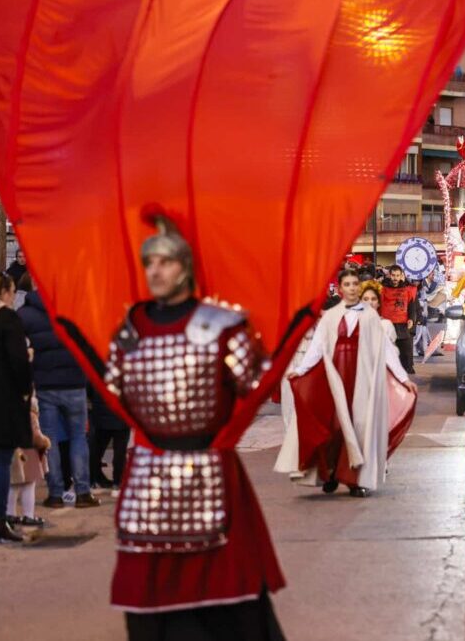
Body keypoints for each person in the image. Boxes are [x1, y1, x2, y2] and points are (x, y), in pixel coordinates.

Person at [103, 213, 285, 637]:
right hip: (149, 474)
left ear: (184, 267)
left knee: (231, 596)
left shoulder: (223, 327)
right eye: (149, 263)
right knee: (151, 598)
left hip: (210, 468)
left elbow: (256, 383)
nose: (155, 271)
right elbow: (115, 391)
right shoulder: (130, 332)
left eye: (164, 261)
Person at [278, 270, 394, 498]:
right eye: (347, 284)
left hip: (361, 378)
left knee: (360, 426)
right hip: (335, 377)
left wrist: (401, 378)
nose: (351, 288)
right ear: (340, 288)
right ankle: (330, 473)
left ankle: (355, 480)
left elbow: (385, 349)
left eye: (354, 284)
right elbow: (317, 348)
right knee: (335, 427)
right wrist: (300, 370)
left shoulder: (369, 317)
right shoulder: (331, 317)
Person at [18, 287, 98, 509]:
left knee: (49, 438)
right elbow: (88, 342)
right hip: (75, 382)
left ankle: (55, 494)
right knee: (79, 437)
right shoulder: (75, 310)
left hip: (45, 384)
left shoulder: (26, 314)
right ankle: (83, 492)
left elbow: (21, 349)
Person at [360, 280, 419, 461]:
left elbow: (390, 354)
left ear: (378, 303)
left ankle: (377, 459)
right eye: (365, 299)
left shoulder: (384, 325)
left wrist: (403, 379)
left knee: (376, 422)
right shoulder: (351, 322)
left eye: (373, 299)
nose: (369, 303)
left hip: (379, 380)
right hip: (357, 380)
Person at [0, 272, 32, 542]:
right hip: (2, 400)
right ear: (6, 292)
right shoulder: (7, 318)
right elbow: (19, 361)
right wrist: (25, 390)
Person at [7, 393, 49, 528]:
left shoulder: (9, 412)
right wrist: (45, 443)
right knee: (29, 486)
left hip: (13, 451)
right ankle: (28, 515)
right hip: (29, 452)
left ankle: (10, 514)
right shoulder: (30, 415)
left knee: (12, 486)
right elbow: (36, 436)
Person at [379, 265, 418, 375]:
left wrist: (411, 318)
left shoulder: (408, 289)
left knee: (405, 352)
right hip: (387, 324)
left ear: (401, 276)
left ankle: (406, 371)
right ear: (389, 275)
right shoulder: (381, 289)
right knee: (387, 350)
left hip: (402, 324)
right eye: (393, 275)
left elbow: (412, 305)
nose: (395, 278)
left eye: (397, 275)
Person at [88, 386, 129, 489]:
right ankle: (117, 482)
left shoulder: (99, 370)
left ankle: (94, 479)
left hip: (100, 413)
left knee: (96, 450)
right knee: (120, 451)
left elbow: (89, 388)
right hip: (121, 412)